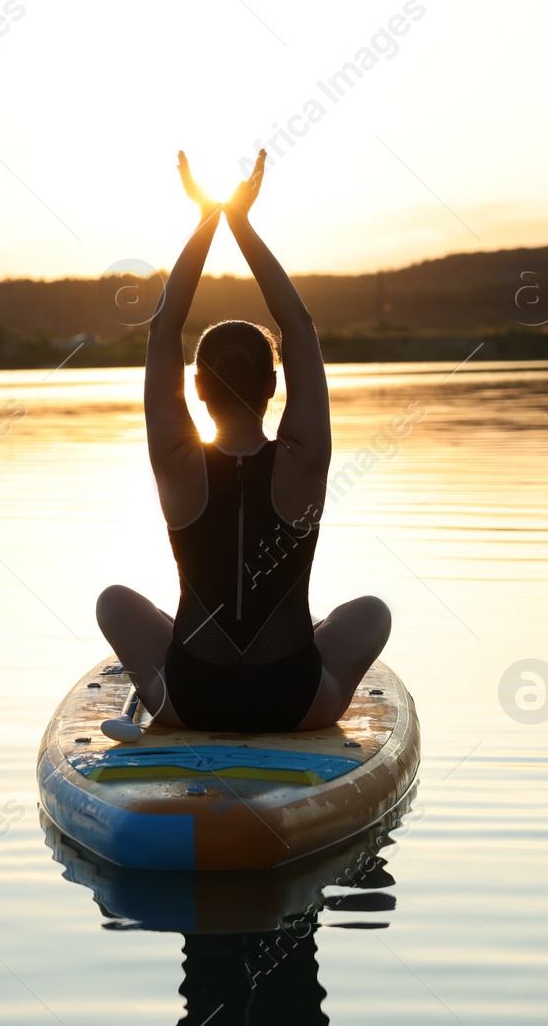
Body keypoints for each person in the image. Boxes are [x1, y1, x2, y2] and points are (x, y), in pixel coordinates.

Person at [95, 149, 391, 733]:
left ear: (197, 389)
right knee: (371, 614)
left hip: (191, 699)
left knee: (114, 602)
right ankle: (310, 652)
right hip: (295, 701)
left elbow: (164, 327)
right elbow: (299, 326)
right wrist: (243, 224)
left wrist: (207, 218)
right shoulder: (303, 461)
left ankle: (163, 687)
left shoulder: (176, 462)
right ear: (275, 385)